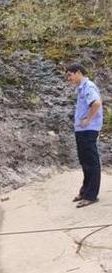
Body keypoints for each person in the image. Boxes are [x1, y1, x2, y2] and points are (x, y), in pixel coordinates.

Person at [66, 63, 103, 208]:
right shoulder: (81, 89)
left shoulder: (88, 86)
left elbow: (97, 103)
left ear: (78, 72)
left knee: (91, 162)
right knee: (85, 161)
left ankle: (91, 195)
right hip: (82, 131)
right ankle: (85, 191)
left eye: (70, 74)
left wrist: (88, 119)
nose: (69, 78)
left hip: (89, 130)